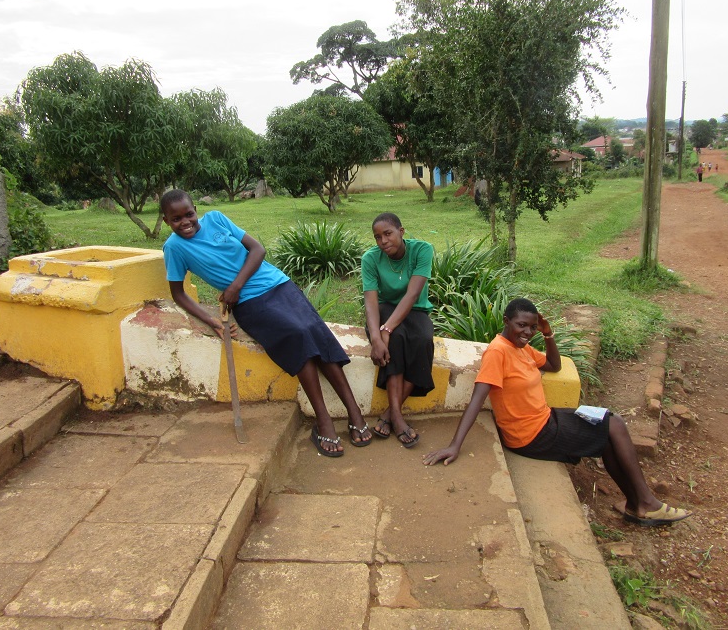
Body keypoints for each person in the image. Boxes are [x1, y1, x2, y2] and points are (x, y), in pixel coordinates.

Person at [423, 298, 692, 527]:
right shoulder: (498, 352)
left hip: (546, 419)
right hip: (532, 435)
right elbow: (477, 398)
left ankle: (636, 503)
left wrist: (548, 334)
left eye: (531, 327)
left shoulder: (522, 348)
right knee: (615, 423)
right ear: (506, 321)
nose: (527, 332)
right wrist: (454, 445)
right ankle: (646, 502)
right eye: (521, 326)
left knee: (608, 431)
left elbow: (553, 364)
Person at [160, 189, 371, 458]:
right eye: (176, 219)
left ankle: (354, 411)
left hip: (278, 283)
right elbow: (177, 294)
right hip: (249, 303)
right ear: (166, 221)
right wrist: (211, 320)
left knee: (316, 332)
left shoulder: (216, 219)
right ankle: (324, 420)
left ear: (195, 210)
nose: (185, 222)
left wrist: (234, 285)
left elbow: (258, 249)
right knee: (297, 336)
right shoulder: (175, 248)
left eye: (189, 214)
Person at [362, 212, 435, 448]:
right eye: (377, 237)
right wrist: (377, 336)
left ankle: (388, 415)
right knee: (395, 342)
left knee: (422, 341)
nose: (383, 241)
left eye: (388, 234)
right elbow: (371, 302)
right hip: (384, 309)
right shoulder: (370, 259)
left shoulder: (422, 250)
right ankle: (399, 419)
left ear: (401, 232)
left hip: (415, 309)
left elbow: (413, 294)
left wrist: (387, 329)